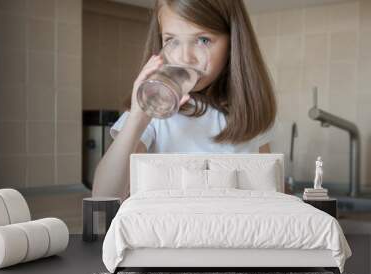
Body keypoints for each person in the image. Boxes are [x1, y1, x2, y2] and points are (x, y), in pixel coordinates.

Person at [92, 0, 279, 201]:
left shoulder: (249, 112)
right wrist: (137, 119)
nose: (185, 58)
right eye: (172, 41)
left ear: (233, 42)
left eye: (203, 40)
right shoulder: (154, 111)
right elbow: (104, 197)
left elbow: (271, 192)